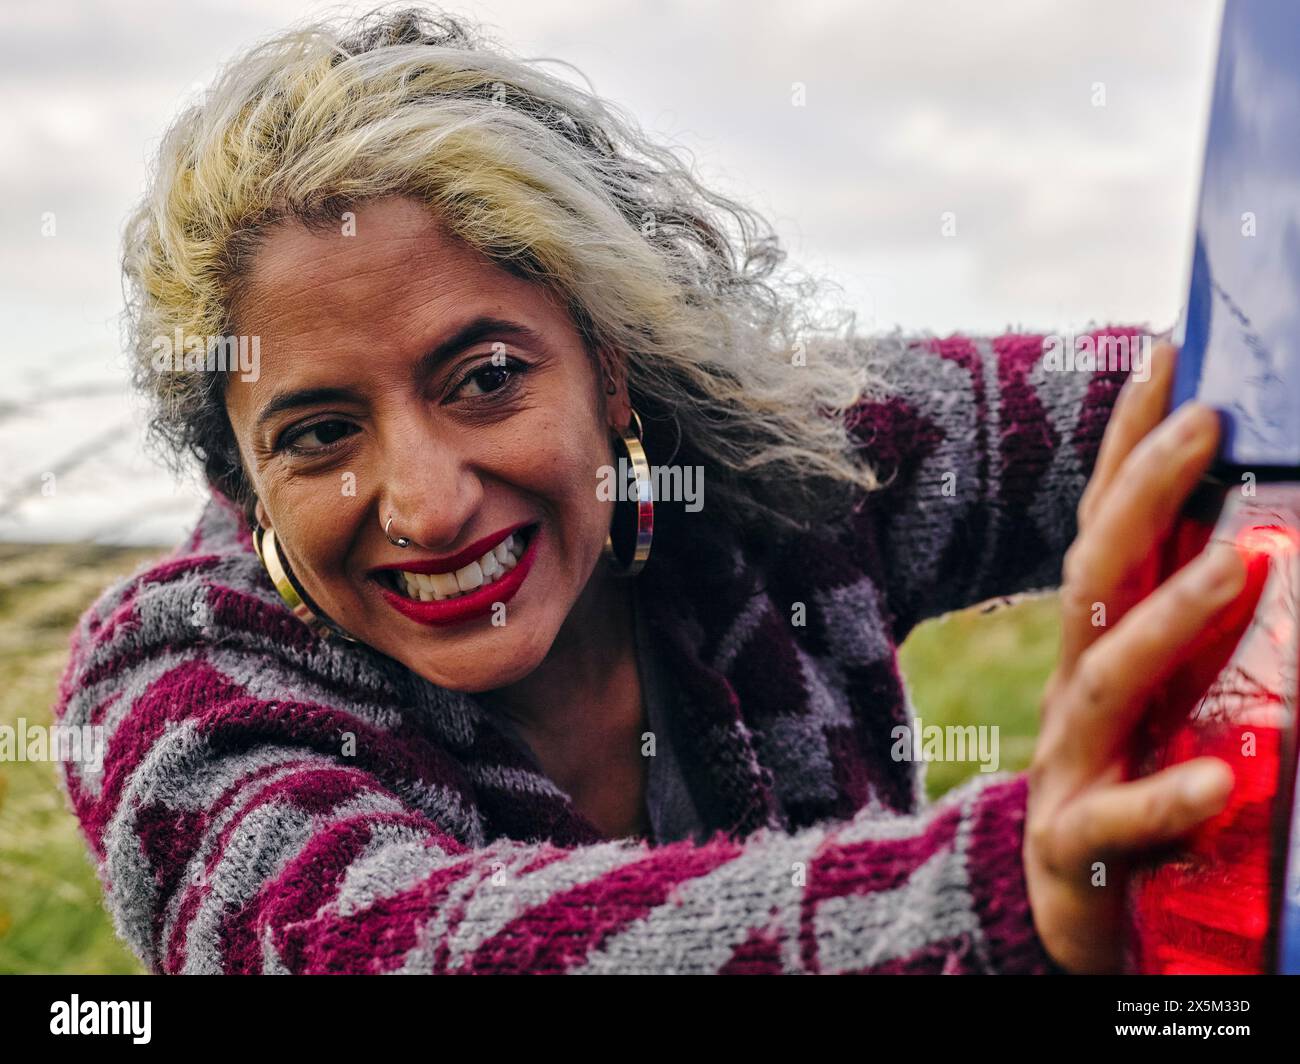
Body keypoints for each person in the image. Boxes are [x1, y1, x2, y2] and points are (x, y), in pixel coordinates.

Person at [54, 7, 1257, 974]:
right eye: (318, 433)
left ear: (610, 367)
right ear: (241, 473)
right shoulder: (177, 697)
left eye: (483, 377)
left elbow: (1202, 410)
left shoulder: (767, 469)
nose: (424, 506)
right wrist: (997, 889)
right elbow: (387, 945)